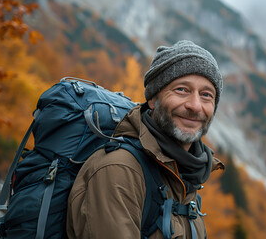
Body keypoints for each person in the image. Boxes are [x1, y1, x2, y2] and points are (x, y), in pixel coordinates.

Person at [67, 40, 225, 238]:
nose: (195, 105)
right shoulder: (119, 170)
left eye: (206, 95)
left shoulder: (186, 177)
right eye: (182, 90)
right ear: (152, 99)